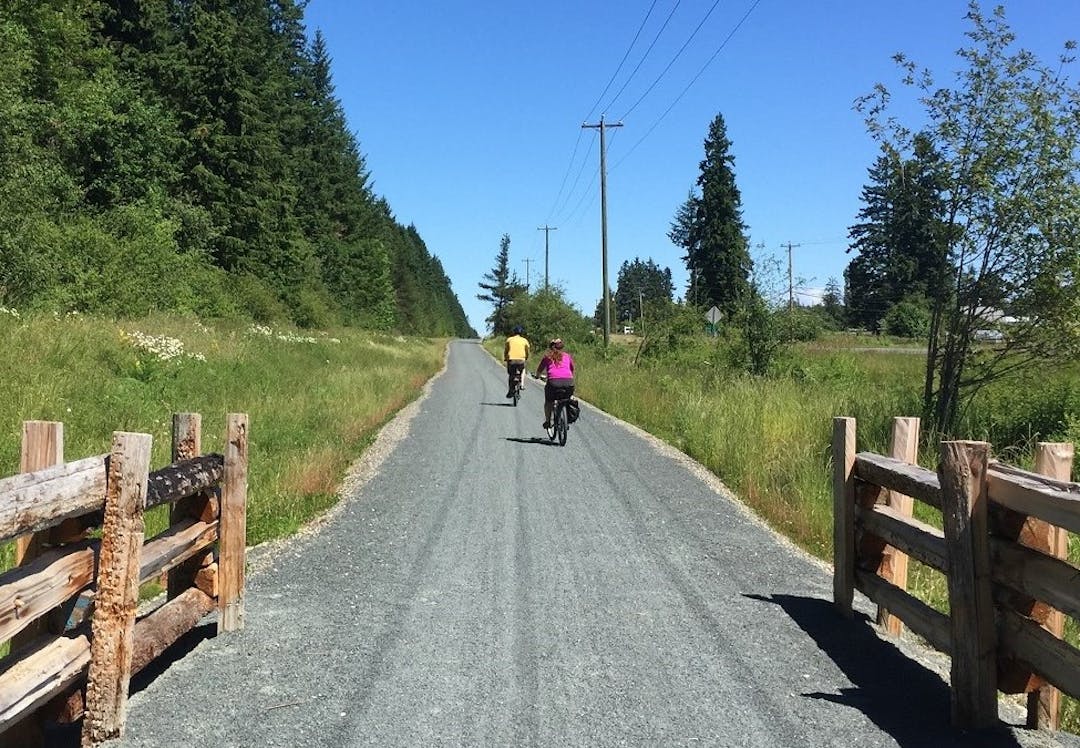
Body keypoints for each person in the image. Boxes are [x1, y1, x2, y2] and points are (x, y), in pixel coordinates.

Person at [534, 338, 574, 429]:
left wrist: (537, 376)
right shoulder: (567, 356)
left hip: (553, 383)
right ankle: (566, 418)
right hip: (568, 382)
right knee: (568, 398)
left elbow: (540, 369)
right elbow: (572, 369)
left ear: (551, 347)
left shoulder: (547, 356)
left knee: (548, 402)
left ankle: (548, 421)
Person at [504, 325, 530, 398]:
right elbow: (527, 351)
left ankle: (510, 390)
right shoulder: (524, 340)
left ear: (514, 332)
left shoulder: (509, 340)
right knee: (523, 370)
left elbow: (506, 351)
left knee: (511, 375)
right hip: (521, 360)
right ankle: (522, 384)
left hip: (511, 360)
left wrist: (506, 358)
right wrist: (526, 357)